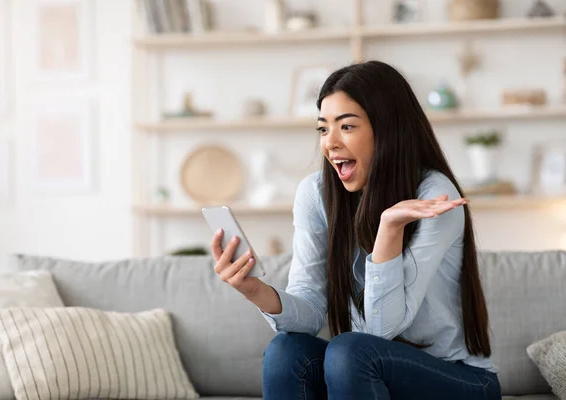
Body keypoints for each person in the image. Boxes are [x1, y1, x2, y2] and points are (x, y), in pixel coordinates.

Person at [210, 60, 501, 399]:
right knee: (285, 352)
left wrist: (389, 229)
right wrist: (253, 290)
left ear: (386, 128)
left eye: (346, 127)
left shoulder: (434, 195)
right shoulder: (316, 193)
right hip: (366, 368)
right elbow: (310, 310)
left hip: (458, 379)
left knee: (349, 352)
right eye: (323, 128)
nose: (330, 143)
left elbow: (381, 329)